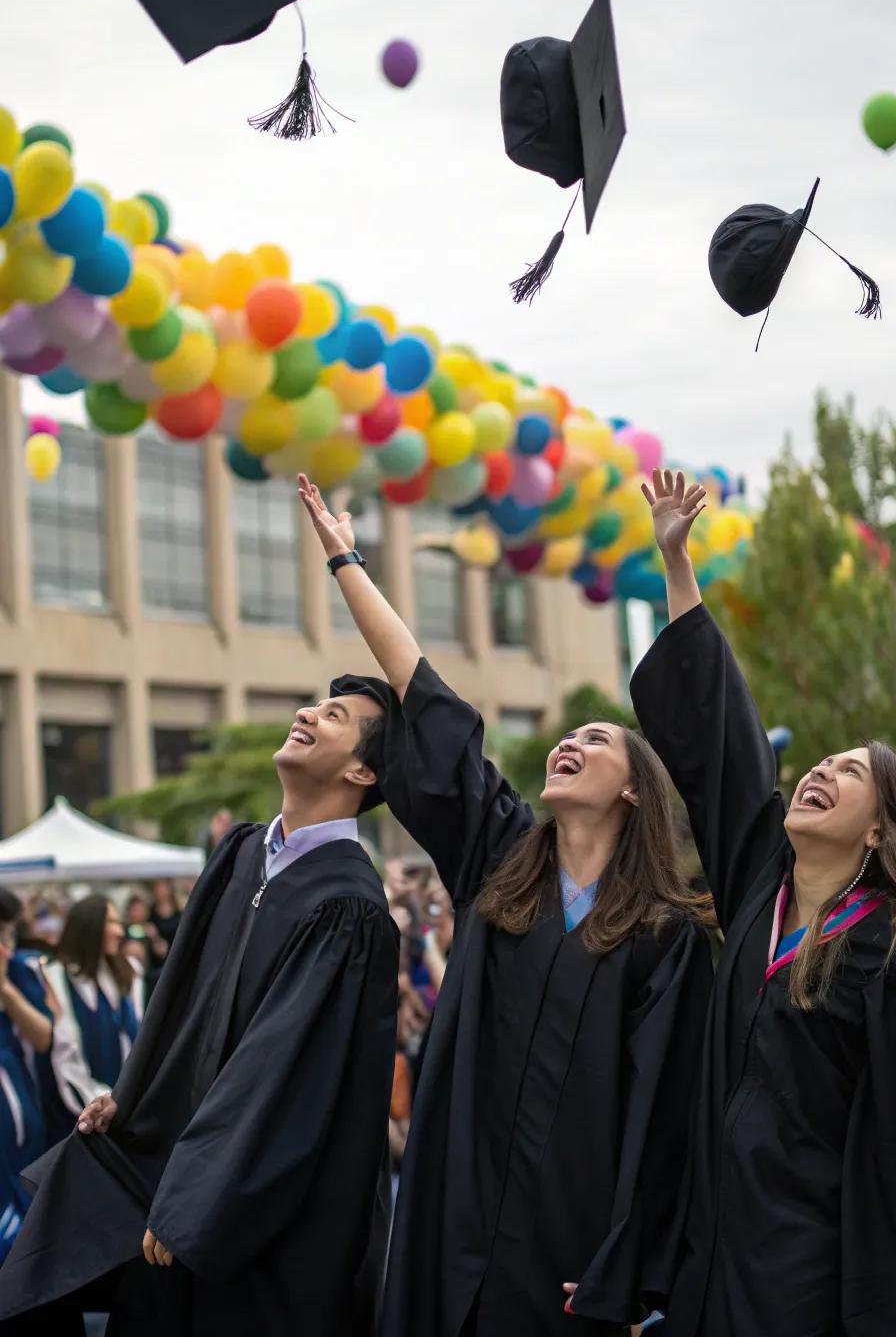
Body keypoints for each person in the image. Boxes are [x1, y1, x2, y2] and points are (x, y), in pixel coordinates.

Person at [298, 473, 715, 1337]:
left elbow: (664, 1119)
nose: (570, 741)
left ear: (637, 793)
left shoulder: (662, 938)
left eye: (596, 739)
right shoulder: (501, 859)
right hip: (454, 1222)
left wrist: (628, 1270)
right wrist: (346, 559)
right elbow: (425, 693)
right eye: (571, 734)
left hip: (571, 1253)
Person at [629, 470, 896, 1337]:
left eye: (850, 772)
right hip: (717, 1268)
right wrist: (676, 562)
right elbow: (724, 742)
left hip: (815, 1282)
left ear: (883, 829)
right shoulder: (759, 886)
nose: (820, 770)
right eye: (821, 761)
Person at [0, 678, 400, 1336]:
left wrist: (199, 1198)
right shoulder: (240, 854)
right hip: (184, 1187)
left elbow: (284, 1074)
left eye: (334, 717)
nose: (306, 714)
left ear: (363, 769)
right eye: (314, 705)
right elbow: (179, 1003)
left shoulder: (350, 906)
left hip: (261, 1217)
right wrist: (130, 1097)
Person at [43, 897, 140, 1135]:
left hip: (127, 1108)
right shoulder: (56, 977)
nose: (120, 931)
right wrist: (100, 1102)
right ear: (90, 927)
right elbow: (65, 1056)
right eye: (111, 922)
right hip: (82, 1116)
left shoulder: (126, 972)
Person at [0, 891, 51, 1267]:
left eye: (8, 934)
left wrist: (3, 987)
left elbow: (43, 1035)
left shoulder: (18, 970)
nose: (5, 945)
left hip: (22, 1128)